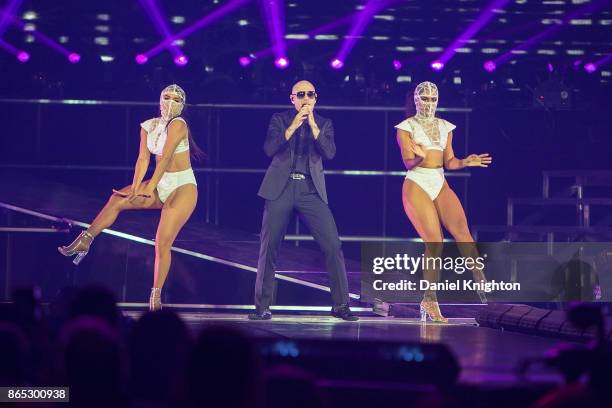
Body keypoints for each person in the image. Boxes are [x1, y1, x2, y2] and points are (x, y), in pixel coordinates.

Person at [58, 84, 201, 311]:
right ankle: (86, 239)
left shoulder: (179, 124)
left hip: (182, 186)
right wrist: (136, 188)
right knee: (117, 199)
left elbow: (164, 160)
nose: (171, 103)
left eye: (176, 100)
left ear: (182, 105)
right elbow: (143, 160)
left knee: (161, 242)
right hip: (160, 183)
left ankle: (155, 297)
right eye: (167, 97)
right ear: (159, 99)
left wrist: (149, 187)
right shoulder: (148, 126)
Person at [249, 80, 358, 321]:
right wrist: (294, 125)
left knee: (332, 245)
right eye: (301, 94)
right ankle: (262, 306)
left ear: (315, 98)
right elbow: (269, 149)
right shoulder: (280, 119)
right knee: (269, 247)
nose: (306, 98)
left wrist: (311, 124)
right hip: (281, 187)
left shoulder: (324, 123)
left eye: (310, 94)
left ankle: (341, 305)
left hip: (310, 189)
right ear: (293, 99)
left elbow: (329, 152)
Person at [395, 81, 492, 323]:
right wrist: (419, 157)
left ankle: (483, 285)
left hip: (439, 180)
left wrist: (466, 161)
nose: (428, 103)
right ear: (416, 100)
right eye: (424, 98)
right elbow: (408, 162)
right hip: (417, 182)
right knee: (435, 243)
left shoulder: (445, 127)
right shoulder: (406, 128)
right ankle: (429, 300)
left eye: (431, 99)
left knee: (463, 232)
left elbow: (449, 162)